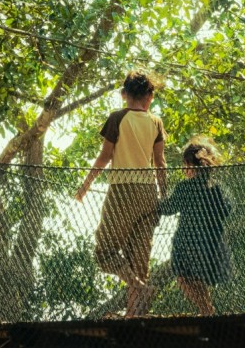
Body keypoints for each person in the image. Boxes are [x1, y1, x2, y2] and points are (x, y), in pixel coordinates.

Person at [75, 70, 167, 317]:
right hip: (148, 193)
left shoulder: (117, 118)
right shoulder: (156, 122)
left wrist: (86, 185)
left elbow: (105, 156)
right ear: (149, 95)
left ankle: (139, 286)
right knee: (139, 257)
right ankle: (133, 314)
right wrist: (163, 194)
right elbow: (160, 162)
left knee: (104, 252)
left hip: (123, 190)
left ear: (124, 94)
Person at [159, 137, 233, 316]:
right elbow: (227, 209)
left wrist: (158, 201)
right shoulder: (218, 188)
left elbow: (168, 209)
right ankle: (207, 310)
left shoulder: (185, 188)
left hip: (187, 242)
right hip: (211, 242)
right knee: (199, 279)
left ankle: (206, 309)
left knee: (184, 277)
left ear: (188, 165)